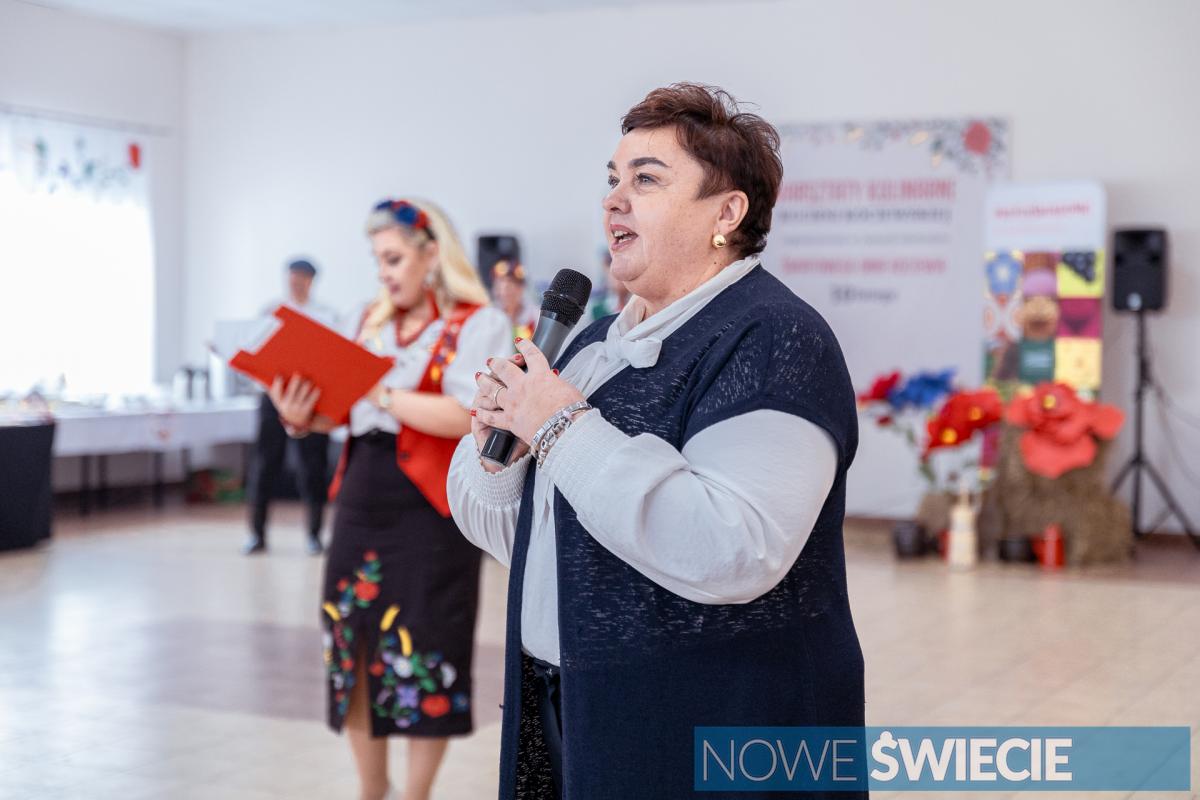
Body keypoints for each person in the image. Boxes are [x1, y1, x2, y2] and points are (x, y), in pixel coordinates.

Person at [448, 84, 865, 799]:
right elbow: (544, 546)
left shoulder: (775, 336)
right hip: (567, 706)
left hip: (715, 724)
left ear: (727, 213)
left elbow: (736, 548)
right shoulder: (593, 344)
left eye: (645, 180)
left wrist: (560, 427)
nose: (613, 200)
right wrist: (501, 457)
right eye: (612, 179)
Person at [270, 199, 511, 800]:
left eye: (394, 259)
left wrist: (379, 393)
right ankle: (370, 788)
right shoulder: (365, 319)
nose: (384, 273)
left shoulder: (477, 322)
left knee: (428, 643)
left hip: (432, 507)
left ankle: (416, 794)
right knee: (351, 638)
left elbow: (469, 414)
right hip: (361, 497)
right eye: (378, 260)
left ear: (432, 254)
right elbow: (340, 412)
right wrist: (301, 418)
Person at [244, 257, 338, 556]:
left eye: (301, 278)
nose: (296, 283)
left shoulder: (326, 316)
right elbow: (255, 351)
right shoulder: (271, 312)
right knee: (264, 465)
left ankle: (314, 535)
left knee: (313, 468)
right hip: (273, 397)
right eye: (292, 277)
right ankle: (257, 534)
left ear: (311, 281)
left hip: (311, 399)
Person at [490, 259, 538, 340]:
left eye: (511, 286)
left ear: (521, 289)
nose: (504, 292)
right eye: (500, 285)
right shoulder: (489, 316)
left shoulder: (534, 316)